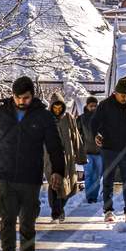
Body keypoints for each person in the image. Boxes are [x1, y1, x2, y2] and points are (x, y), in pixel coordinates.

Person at [0, 76, 66, 251]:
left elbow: (55, 146)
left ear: (32, 96)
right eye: (17, 98)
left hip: (31, 178)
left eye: (25, 98)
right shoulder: (0, 113)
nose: (21, 102)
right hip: (6, 177)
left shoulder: (43, 116)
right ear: (12, 95)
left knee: (27, 226)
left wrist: (58, 171)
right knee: (6, 224)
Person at [93, 78, 126, 222]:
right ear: (116, 92)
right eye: (123, 95)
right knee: (108, 180)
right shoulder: (105, 105)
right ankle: (108, 210)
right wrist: (97, 134)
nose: (125, 98)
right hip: (109, 149)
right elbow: (94, 122)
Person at [45, 93, 83, 223]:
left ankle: (60, 208)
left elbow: (75, 137)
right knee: (54, 183)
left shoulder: (68, 118)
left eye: (59, 107)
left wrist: (80, 156)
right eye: (55, 107)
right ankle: (56, 212)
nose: (57, 110)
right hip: (50, 157)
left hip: (67, 158)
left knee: (69, 186)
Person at [81, 96, 102, 203]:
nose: (93, 108)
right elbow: (78, 135)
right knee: (89, 175)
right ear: (87, 106)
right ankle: (89, 197)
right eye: (91, 106)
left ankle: (94, 196)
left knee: (97, 176)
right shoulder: (81, 118)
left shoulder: (102, 118)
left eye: (95, 106)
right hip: (87, 152)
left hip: (99, 152)